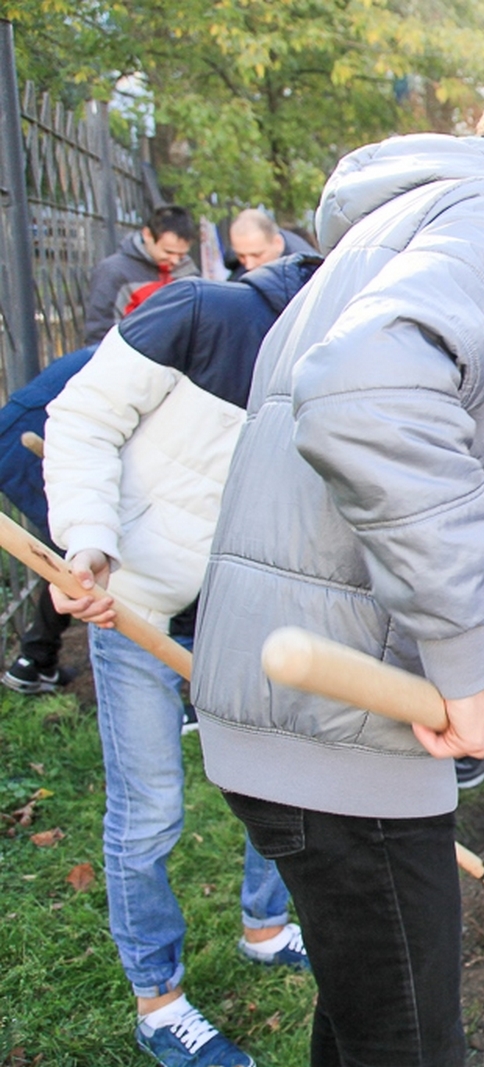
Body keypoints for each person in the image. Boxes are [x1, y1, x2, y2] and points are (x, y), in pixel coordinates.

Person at [188, 58, 484, 1067]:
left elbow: (405, 516)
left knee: (364, 1025)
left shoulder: (397, 233)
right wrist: (469, 663)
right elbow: (369, 401)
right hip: (342, 747)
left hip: (322, 720)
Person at [45, 252, 321, 1067]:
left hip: (249, 616)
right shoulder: (200, 313)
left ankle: (265, 927)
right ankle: (158, 999)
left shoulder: (340, 367)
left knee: (278, 779)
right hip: (137, 605)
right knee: (151, 809)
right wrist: (90, 542)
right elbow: (83, 419)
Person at [0, 349, 95, 694]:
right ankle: (33, 660)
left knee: (70, 553)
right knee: (78, 550)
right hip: (31, 439)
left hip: (31, 432)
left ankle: (34, 662)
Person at [83, 206, 198, 348]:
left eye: (181, 255)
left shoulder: (187, 269)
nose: (175, 261)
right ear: (147, 235)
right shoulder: (114, 272)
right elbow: (101, 332)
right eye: (168, 252)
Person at [226, 208, 315, 277]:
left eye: (257, 255)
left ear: (277, 243)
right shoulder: (246, 248)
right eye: (241, 256)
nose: (249, 265)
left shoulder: (304, 271)